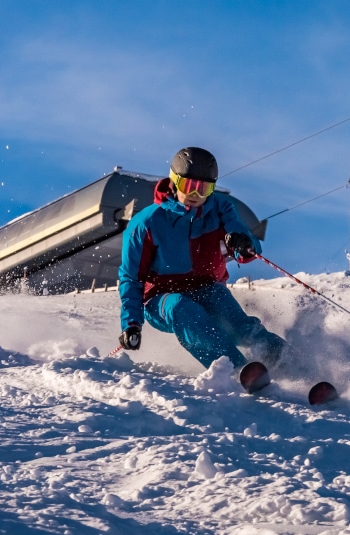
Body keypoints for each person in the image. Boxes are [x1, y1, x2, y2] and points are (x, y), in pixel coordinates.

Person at [117, 146, 285, 370]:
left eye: (204, 188)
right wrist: (131, 323)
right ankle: (235, 369)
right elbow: (130, 277)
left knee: (234, 320)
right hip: (161, 298)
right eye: (190, 186)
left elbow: (247, 243)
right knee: (183, 309)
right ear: (175, 181)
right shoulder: (147, 223)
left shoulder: (220, 209)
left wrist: (243, 244)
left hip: (206, 288)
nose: (196, 195)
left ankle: (284, 358)